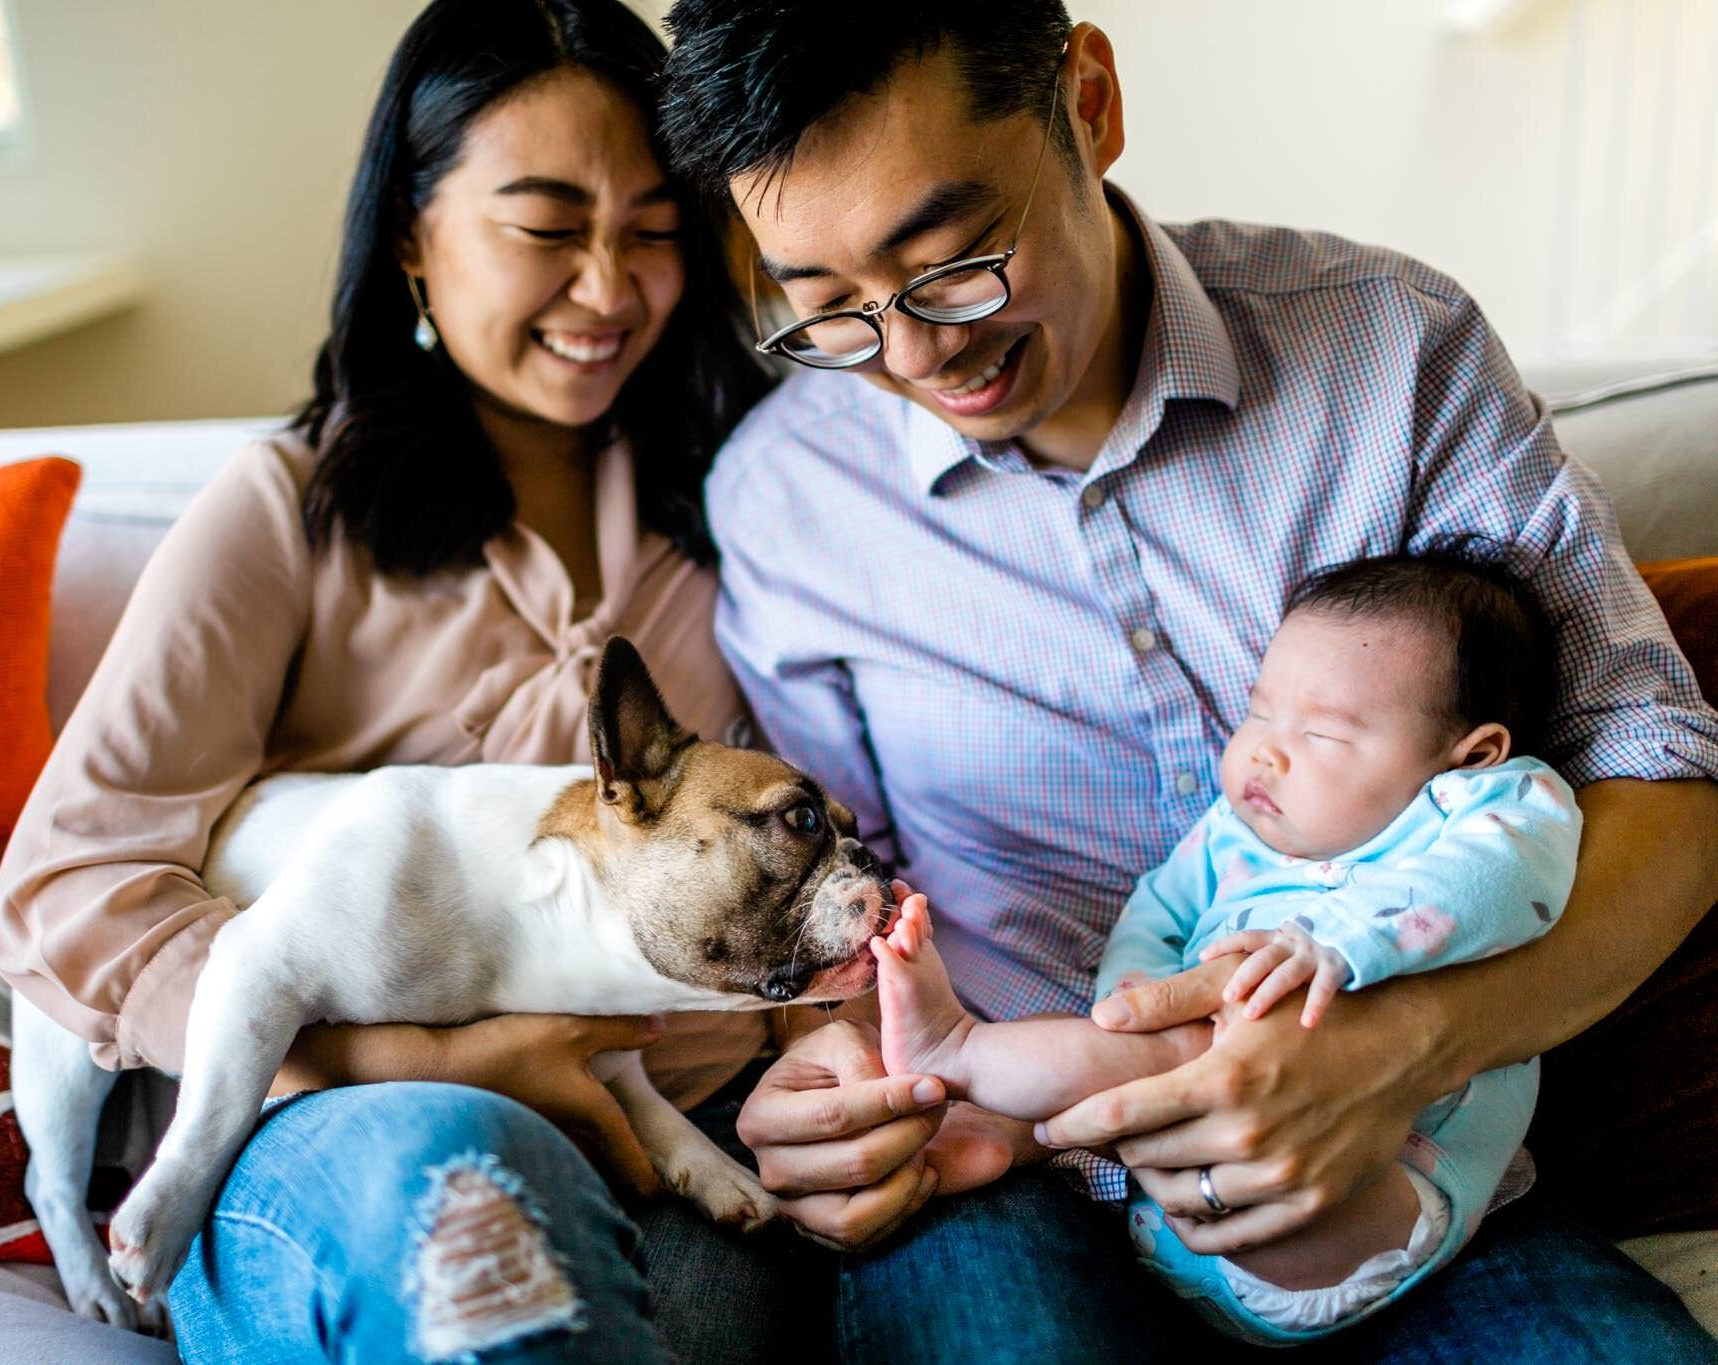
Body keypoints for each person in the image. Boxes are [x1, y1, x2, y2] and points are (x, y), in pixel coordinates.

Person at [657, 1, 1718, 1358]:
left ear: (1088, 102)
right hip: (1014, 1173)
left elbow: (1666, 777)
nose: (917, 357)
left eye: (955, 262)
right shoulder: (788, 502)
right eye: (832, 313)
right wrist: (825, 1085)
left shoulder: (1394, 353)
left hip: (1408, 1154)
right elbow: (839, 907)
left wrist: (1406, 1047)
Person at [0, 1, 770, 1359]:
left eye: (652, 231)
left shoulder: (745, 513)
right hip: (339, 1129)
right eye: (546, 227)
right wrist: (423, 1062)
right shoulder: (289, 511)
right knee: (458, 1167)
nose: (608, 288)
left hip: (682, 1131)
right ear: (413, 233)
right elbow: (66, 886)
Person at [872, 553, 1584, 1345]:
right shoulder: (1231, 833)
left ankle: (970, 1053)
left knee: (1215, 1074)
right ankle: (955, 1053)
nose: (1265, 752)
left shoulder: (1494, 803)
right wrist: (1133, 1007)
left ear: (1470, 752)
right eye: (1258, 712)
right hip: (1174, 1199)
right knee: (1156, 1053)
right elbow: (1156, 911)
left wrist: (1339, 940)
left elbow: (1504, 878)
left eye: (1321, 733)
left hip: (1379, 1180)